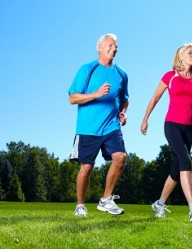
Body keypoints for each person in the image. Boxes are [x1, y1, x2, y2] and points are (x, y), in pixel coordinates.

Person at [140, 42, 192, 223]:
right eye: (190, 53)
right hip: (172, 125)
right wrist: (145, 119)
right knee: (185, 161)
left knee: (177, 170)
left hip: (189, 129)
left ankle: (159, 203)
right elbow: (155, 97)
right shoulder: (170, 76)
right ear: (180, 57)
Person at [68, 33, 129, 217]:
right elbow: (73, 98)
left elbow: (125, 100)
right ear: (100, 47)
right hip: (88, 127)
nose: (114, 48)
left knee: (120, 158)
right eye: (110, 45)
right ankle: (80, 206)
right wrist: (96, 94)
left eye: (116, 46)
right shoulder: (87, 69)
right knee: (86, 167)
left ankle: (106, 199)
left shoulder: (121, 74)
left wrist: (123, 113)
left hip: (111, 126)